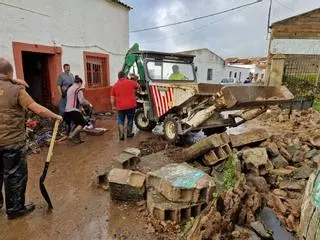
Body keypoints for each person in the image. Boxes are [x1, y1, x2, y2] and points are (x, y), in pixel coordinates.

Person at [0, 58, 62, 220]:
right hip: (12, 142)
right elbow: (37, 109)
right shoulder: (16, 90)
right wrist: (55, 116)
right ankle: (14, 209)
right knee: (14, 175)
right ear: (10, 73)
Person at [111, 71, 140, 140]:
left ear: (118, 77)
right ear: (125, 76)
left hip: (120, 106)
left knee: (120, 120)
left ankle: (121, 135)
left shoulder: (114, 86)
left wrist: (113, 106)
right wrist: (138, 91)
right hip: (131, 105)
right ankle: (129, 133)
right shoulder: (131, 82)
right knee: (130, 119)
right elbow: (138, 87)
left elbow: (112, 98)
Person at [64, 75, 91, 144]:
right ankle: (72, 136)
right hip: (73, 110)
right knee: (82, 123)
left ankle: (79, 139)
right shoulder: (78, 89)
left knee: (77, 123)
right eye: (81, 84)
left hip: (67, 110)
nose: (81, 86)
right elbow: (82, 101)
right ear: (79, 83)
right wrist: (89, 104)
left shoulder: (70, 88)